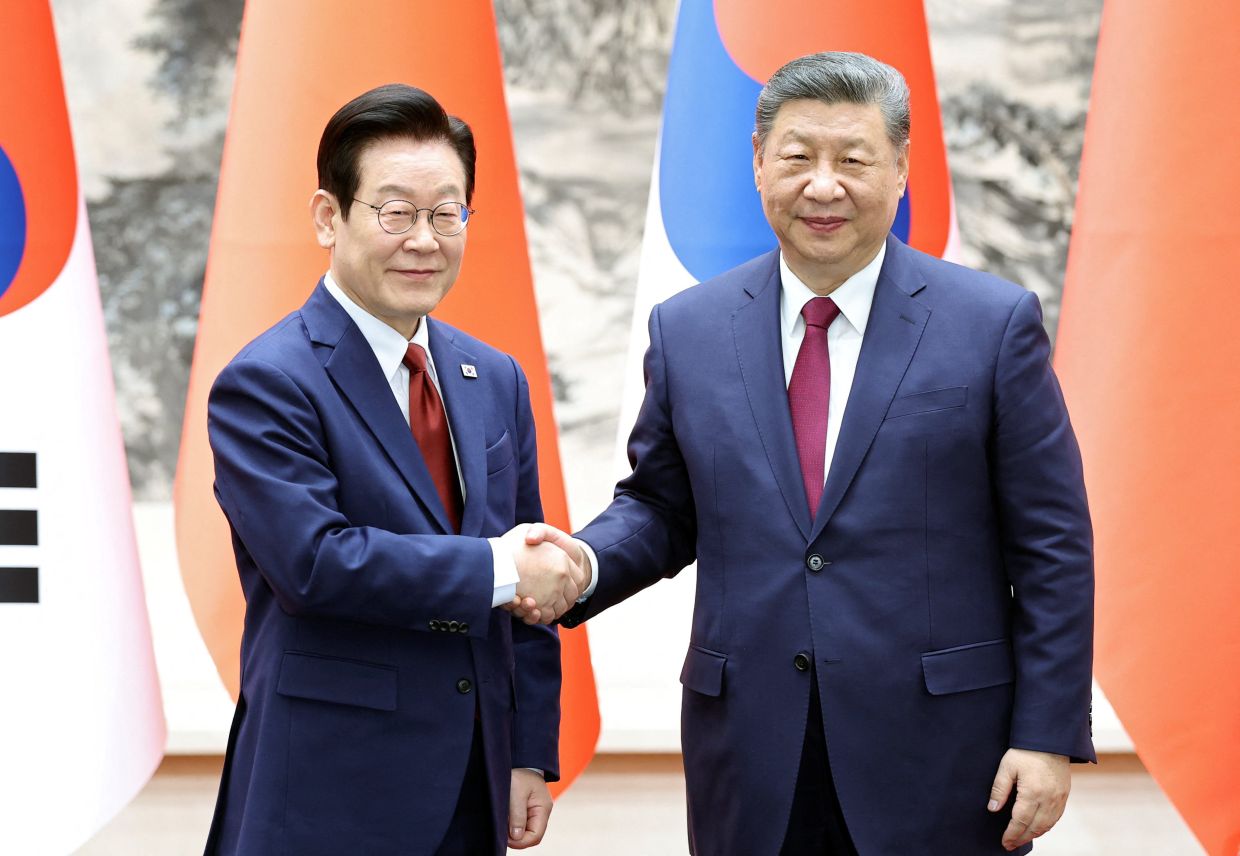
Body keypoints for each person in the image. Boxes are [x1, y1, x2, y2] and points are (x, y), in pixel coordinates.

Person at [524, 52, 1095, 855]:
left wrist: (1047, 735)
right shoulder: (688, 330)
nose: (823, 186)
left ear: (900, 171)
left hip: (943, 753)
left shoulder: (990, 326)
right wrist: (581, 562)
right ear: (758, 165)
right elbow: (660, 506)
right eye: (797, 157)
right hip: (752, 750)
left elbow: (1053, 546)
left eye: (853, 160)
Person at [203, 83, 584, 855]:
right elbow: (316, 563)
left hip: (473, 785)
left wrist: (526, 750)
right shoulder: (268, 381)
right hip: (328, 789)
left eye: (447, 213)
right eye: (396, 211)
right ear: (328, 216)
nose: (425, 238)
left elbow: (529, 560)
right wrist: (499, 569)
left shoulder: (493, 376)